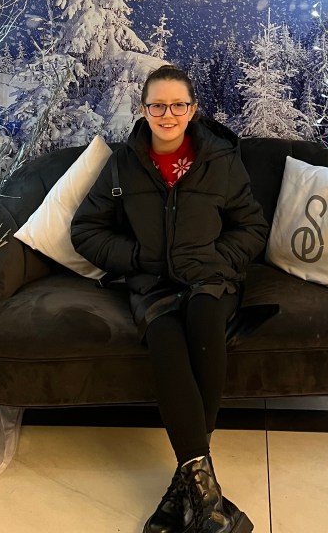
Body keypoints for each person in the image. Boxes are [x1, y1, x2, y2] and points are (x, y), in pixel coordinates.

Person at [71, 64, 268, 533]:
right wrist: (137, 255)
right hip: (152, 283)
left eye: (178, 104)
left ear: (193, 109)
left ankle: (187, 489)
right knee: (164, 339)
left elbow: (252, 227)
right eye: (157, 105)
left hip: (209, 280)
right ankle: (204, 495)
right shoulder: (124, 163)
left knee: (204, 323)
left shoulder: (220, 159)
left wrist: (218, 260)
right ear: (143, 109)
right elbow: (85, 230)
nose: (168, 114)